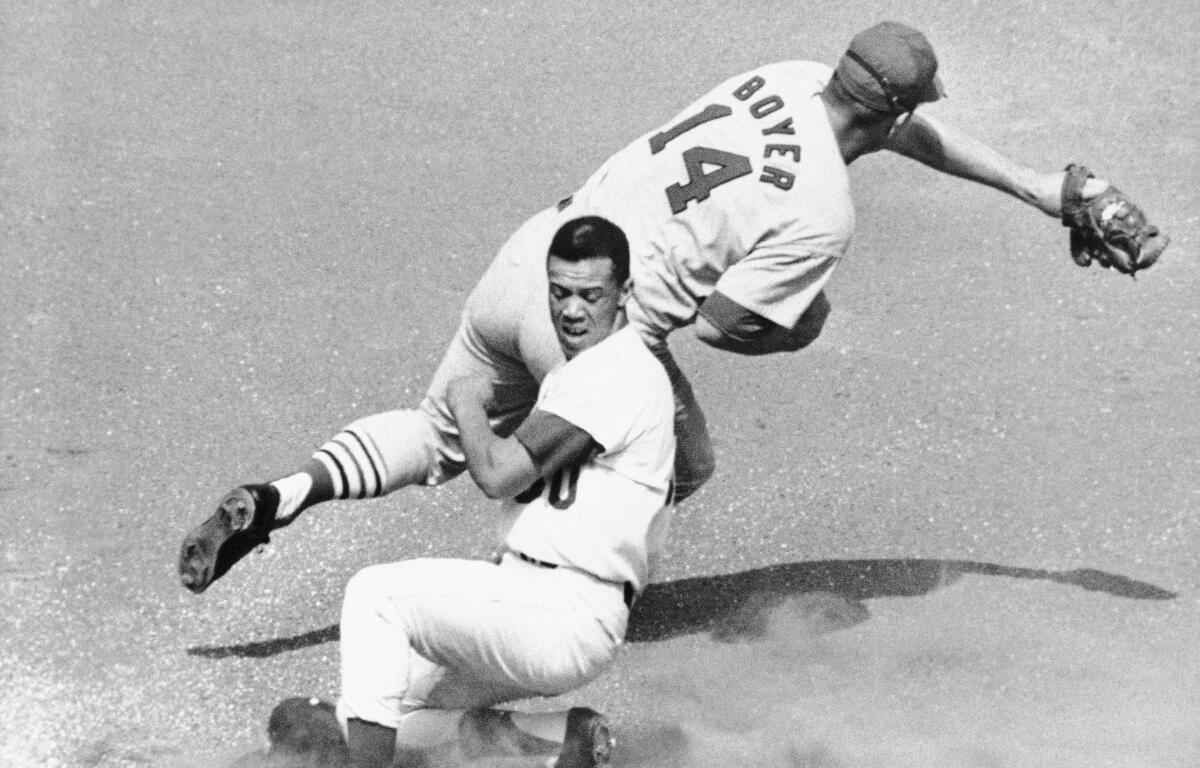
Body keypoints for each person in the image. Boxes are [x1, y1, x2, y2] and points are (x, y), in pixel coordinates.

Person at [179, 20, 1121, 594]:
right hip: (596, 323)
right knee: (683, 463)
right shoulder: (823, 213)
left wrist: (1036, 189)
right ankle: (538, 598)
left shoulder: (787, 76)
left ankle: (279, 496)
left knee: (438, 434)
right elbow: (722, 326)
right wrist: (804, 324)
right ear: (890, 111)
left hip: (536, 256)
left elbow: (904, 133)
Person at [268, 216, 675, 768]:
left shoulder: (616, 371)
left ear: (624, 293)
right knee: (383, 707)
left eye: (590, 294)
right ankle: (558, 748)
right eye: (558, 291)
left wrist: (465, 400)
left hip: (562, 609)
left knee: (375, 597)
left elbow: (496, 473)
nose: (571, 309)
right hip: (548, 604)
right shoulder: (587, 373)